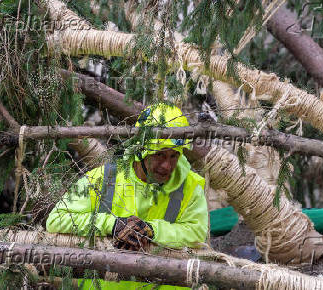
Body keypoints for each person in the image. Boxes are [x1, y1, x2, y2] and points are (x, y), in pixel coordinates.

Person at [46, 103, 208, 288]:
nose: (167, 166)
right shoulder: (103, 179)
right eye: (159, 155)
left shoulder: (189, 186)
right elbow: (56, 219)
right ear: (140, 151)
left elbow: (197, 233)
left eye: (174, 156)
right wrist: (113, 225)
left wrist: (151, 230)